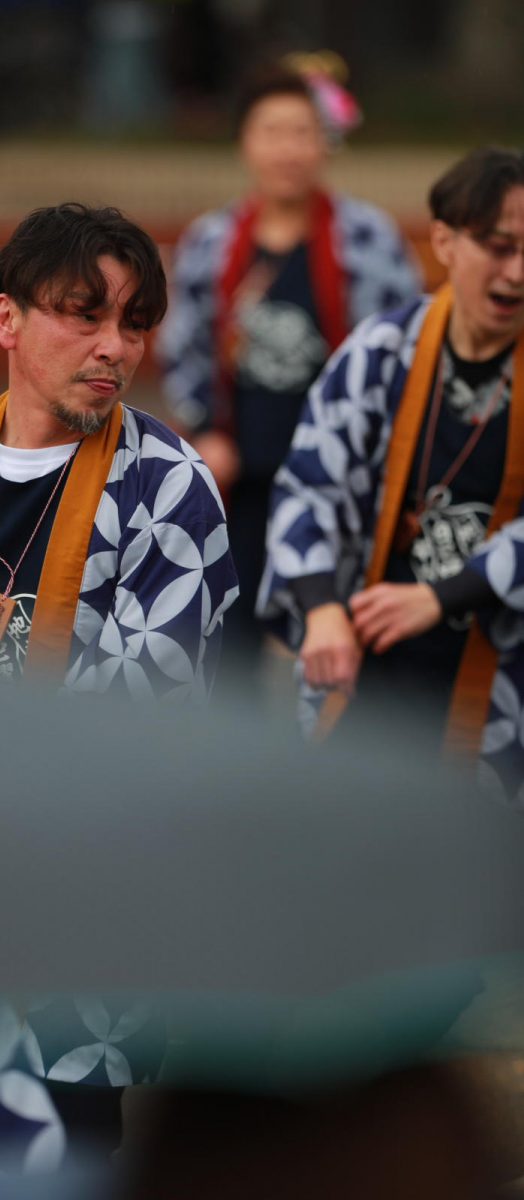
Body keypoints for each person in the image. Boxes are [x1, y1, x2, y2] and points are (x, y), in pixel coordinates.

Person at [0, 202, 237, 699]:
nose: (116, 348)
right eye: (86, 315)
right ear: (7, 319)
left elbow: (144, 723)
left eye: (135, 325)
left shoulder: (170, 486)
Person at [259, 146, 524, 799]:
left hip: (501, 672)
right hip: (375, 653)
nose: (518, 272)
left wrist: (441, 596)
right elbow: (306, 487)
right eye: (499, 245)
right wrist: (321, 610)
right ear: (445, 241)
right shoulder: (384, 350)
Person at [157, 57, 420, 677]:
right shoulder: (210, 241)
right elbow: (181, 347)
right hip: (240, 480)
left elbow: (409, 353)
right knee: (228, 651)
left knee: (348, 651)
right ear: (246, 142)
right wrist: (204, 431)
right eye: (271, 132)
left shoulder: (370, 239)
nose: (288, 149)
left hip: (344, 483)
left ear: (325, 143)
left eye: (303, 132)